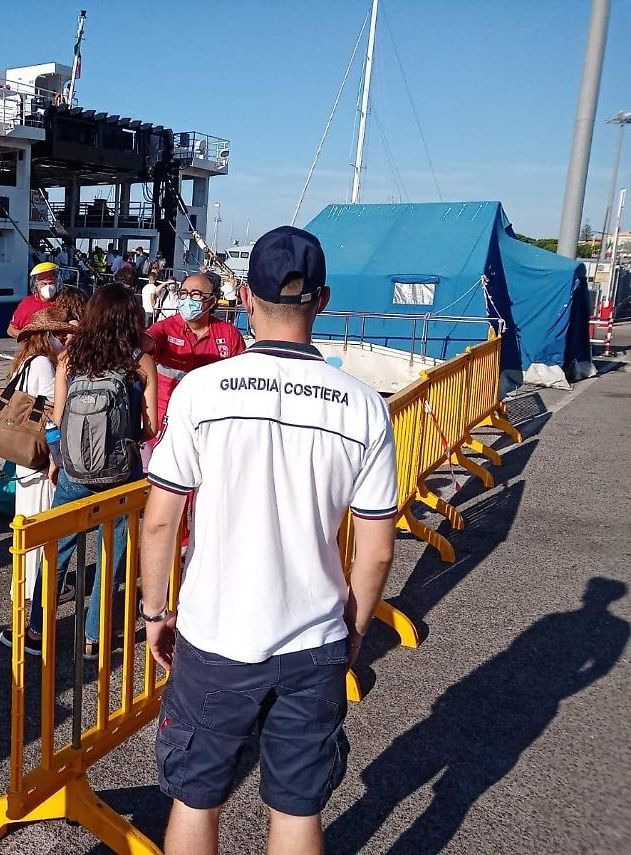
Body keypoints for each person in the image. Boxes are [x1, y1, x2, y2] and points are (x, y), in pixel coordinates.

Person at [140, 226, 398, 855]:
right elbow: (378, 548)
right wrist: (355, 628)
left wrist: (153, 613)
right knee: (295, 807)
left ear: (245, 300)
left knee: (197, 799)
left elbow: (160, 519)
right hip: (314, 639)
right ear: (324, 299)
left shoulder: (203, 391)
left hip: (216, 634)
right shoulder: (364, 406)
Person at [2, 284, 159, 658]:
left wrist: (62, 457)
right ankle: (94, 637)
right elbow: (151, 427)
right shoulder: (139, 362)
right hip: (122, 475)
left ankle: (38, 630)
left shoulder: (70, 359)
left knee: (58, 549)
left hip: (73, 472)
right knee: (113, 557)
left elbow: (56, 418)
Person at [3, 307, 75, 602]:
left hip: (24, 455)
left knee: (28, 520)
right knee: (42, 522)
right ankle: (39, 588)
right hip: (41, 456)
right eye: (60, 335)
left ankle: (25, 585)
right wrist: (58, 459)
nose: (64, 340)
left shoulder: (25, 361)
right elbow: (53, 415)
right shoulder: (45, 364)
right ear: (48, 336)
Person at [146, 273, 246, 430]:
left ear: (212, 301)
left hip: (211, 424)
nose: (187, 300)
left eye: (196, 295)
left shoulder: (230, 334)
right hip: (165, 424)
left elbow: (241, 384)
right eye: (183, 294)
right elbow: (147, 341)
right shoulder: (165, 328)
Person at [7, 261, 60, 338]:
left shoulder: (64, 301)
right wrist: (30, 338)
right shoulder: (27, 303)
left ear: (56, 282)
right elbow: (11, 330)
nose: (48, 287)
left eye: (51, 283)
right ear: (37, 285)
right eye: (44, 284)